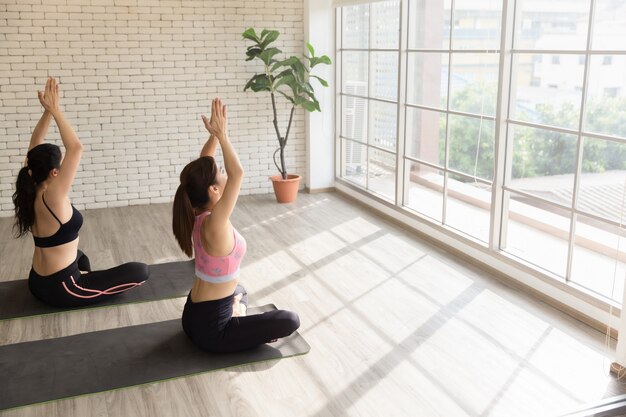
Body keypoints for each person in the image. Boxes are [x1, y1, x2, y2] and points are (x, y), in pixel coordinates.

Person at [172, 97, 300, 353]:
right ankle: (236, 315)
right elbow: (237, 173)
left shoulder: (197, 212)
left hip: (193, 314)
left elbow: (203, 165)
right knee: (290, 320)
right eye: (219, 172)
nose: (223, 171)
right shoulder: (215, 222)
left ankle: (236, 309)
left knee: (239, 289)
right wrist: (222, 135)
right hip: (212, 331)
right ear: (213, 189)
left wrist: (216, 137)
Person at [12, 77, 149, 307]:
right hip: (63, 288)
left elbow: (36, 141)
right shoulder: (52, 196)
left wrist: (47, 112)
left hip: (36, 281)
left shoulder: (31, 182)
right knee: (141, 272)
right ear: (55, 172)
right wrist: (55, 110)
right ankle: (82, 285)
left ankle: (82, 278)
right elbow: (76, 148)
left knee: (81, 256)